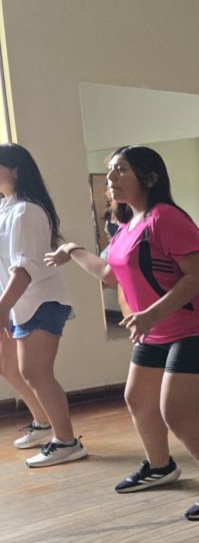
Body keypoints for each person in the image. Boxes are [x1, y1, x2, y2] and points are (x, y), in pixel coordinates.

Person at [48, 145, 199, 520]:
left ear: (150, 178)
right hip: (156, 330)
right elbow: (109, 274)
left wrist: (151, 314)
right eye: (110, 171)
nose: (111, 178)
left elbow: (198, 276)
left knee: (179, 413)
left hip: (197, 331)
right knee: (138, 399)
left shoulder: (165, 218)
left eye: (121, 170)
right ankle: (160, 466)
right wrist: (72, 249)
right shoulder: (128, 225)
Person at [0, 144, 80, 466]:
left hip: (39, 301)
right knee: (9, 367)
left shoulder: (27, 211)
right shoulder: (6, 208)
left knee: (36, 372)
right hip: (16, 303)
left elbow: (25, 268)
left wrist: (2, 307)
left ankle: (67, 441)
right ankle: (43, 423)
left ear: (16, 170)